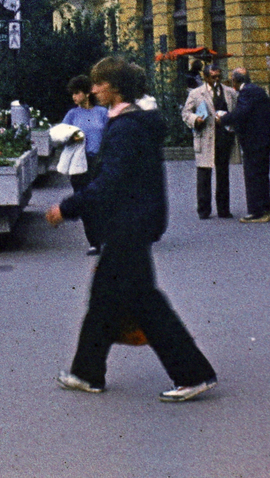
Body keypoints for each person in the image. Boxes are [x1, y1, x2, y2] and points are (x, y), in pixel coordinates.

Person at [46, 56, 216, 402]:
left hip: (128, 224)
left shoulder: (126, 128)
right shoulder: (132, 122)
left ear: (116, 87)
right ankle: (87, 372)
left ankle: (193, 374)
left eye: (99, 83)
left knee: (144, 303)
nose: (93, 89)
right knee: (104, 300)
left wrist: (67, 207)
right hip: (132, 223)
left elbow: (111, 182)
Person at [64, 74, 112, 246]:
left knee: (102, 199)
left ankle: (106, 234)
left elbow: (110, 134)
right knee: (84, 200)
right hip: (79, 163)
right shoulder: (72, 114)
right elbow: (61, 136)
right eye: (72, 94)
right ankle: (93, 241)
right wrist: (71, 138)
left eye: (77, 93)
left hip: (99, 161)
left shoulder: (102, 112)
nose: (74, 97)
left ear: (86, 93)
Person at [226, 68, 270, 222]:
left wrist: (223, 119)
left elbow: (241, 113)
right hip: (264, 139)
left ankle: (256, 212)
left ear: (235, 81)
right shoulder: (258, 90)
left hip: (253, 141)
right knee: (263, 176)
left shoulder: (246, 93)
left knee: (253, 176)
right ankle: (266, 209)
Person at [181, 64, 231, 220]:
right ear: (206, 77)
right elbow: (186, 113)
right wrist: (196, 119)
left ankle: (224, 209)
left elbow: (234, 110)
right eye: (213, 77)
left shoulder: (228, 92)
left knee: (223, 173)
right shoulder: (196, 93)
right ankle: (204, 209)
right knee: (204, 174)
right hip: (205, 136)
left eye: (219, 76)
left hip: (223, 136)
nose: (216, 80)